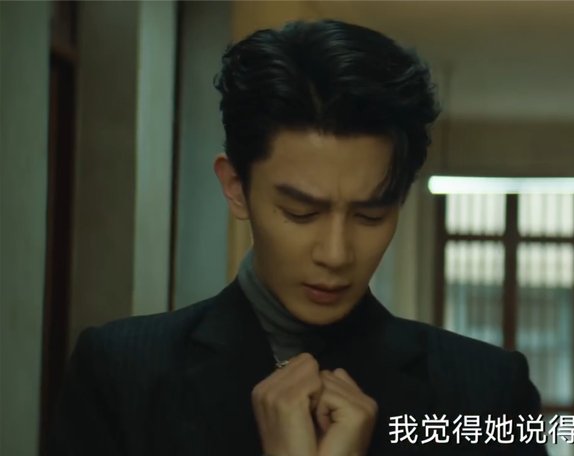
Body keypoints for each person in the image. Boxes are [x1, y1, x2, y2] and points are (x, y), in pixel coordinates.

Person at [49, 19, 548, 456]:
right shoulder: (122, 375)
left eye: (370, 215)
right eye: (301, 212)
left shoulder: (486, 394)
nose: (335, 254)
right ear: (236, 187)